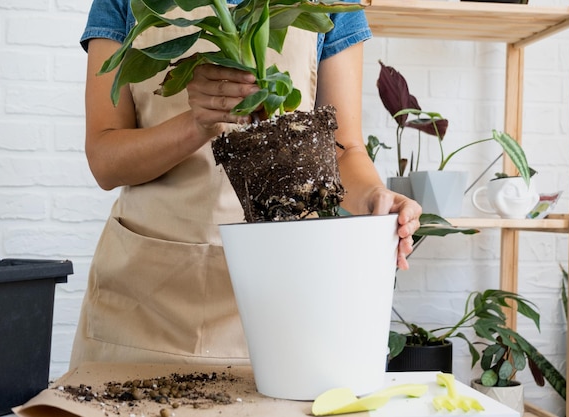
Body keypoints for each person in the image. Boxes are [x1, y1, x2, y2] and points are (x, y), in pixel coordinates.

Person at [70, 0, 422, 368]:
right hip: (143, 299)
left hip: (277, 294)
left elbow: (342, 150)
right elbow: (105, 160)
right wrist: (197, 124)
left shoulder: (333, 4)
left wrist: (374, 197)